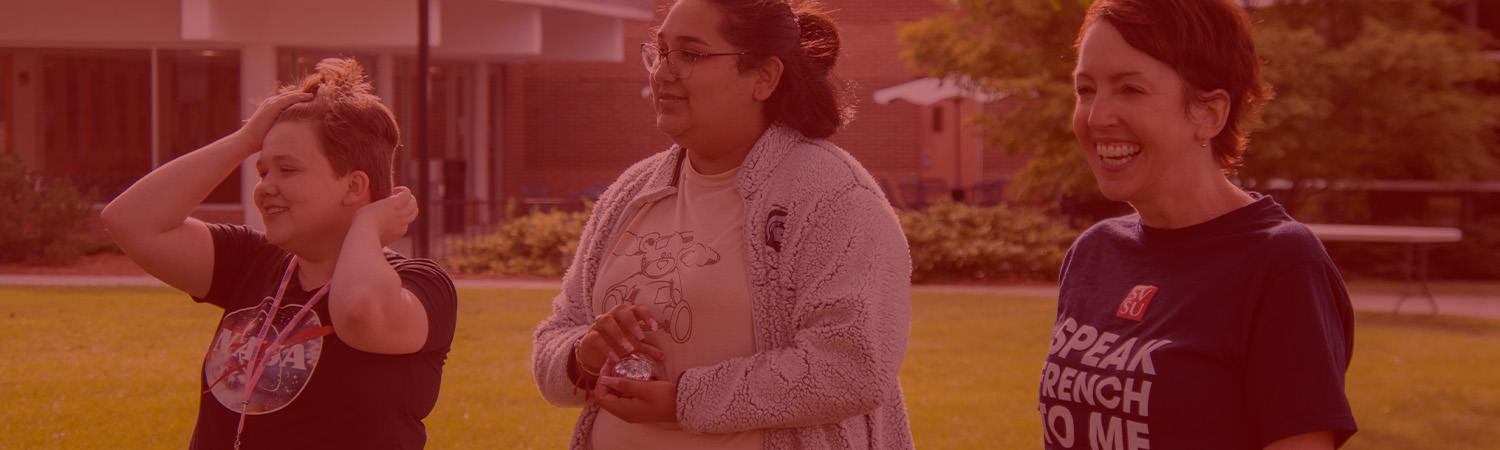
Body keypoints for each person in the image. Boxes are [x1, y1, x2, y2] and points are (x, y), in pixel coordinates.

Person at [529, 0, 915, 448]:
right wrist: (584, 355)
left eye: (691, 54)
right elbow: (555, 337)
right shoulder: (631, 192)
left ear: (764, 77)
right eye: (660, 51)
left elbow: (852, 365)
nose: (662, 72)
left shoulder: (833, 197)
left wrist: (685, 402)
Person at [1039, 0, 1358, 449]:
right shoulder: (1093, 254)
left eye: (1130, 89)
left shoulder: (1281, 265)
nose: (1097, 117)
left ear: (1209, 113)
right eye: (1086, 89)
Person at [101, 58, 457, 450]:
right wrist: (245, 140)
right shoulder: (252, 260)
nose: (265, 188)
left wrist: (367, 227)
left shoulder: (422, 285)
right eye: (262, 171)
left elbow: (357, 313)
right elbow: (131, 221)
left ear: (355, 187)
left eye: (286, 170)